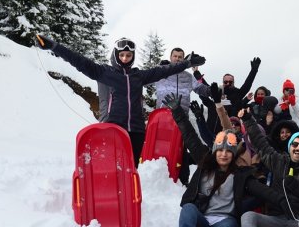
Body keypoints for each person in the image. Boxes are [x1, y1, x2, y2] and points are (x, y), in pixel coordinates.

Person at [35, 35, 205, 165]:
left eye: (128, 55)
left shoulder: (139, 76)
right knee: (114, 165)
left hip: (137, 131)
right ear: (116, 55)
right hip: (115, 128)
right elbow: (79, 61)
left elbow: (165, 70)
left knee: (132, 168)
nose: (125, 58)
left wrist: (187, 63)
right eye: (122, 55)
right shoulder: (105, 72)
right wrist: (54, 46)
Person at [165, 93, 255, 227]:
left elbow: (260, 192)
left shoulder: (240, 174)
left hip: (225, 219)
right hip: (203, 219)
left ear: (233, 155)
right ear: (214, 152)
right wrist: (177, 112)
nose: (223, 154)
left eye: (228, 152)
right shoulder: (205, 165)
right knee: (188, 208)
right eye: (220, 151)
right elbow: (190, 138)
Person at [154, 47, 207, 184]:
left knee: (182, 149)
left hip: (181, 120)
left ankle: (183, 181)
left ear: (183, 59)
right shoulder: (160, 73)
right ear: (170, 57)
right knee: (161, 149)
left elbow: (200, 89)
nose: (177, 59)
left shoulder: (188, 77)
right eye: (175, 56)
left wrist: (212, 90)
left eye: (180, 57)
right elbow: (142, 80)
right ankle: (158, 179)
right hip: (163, 119)